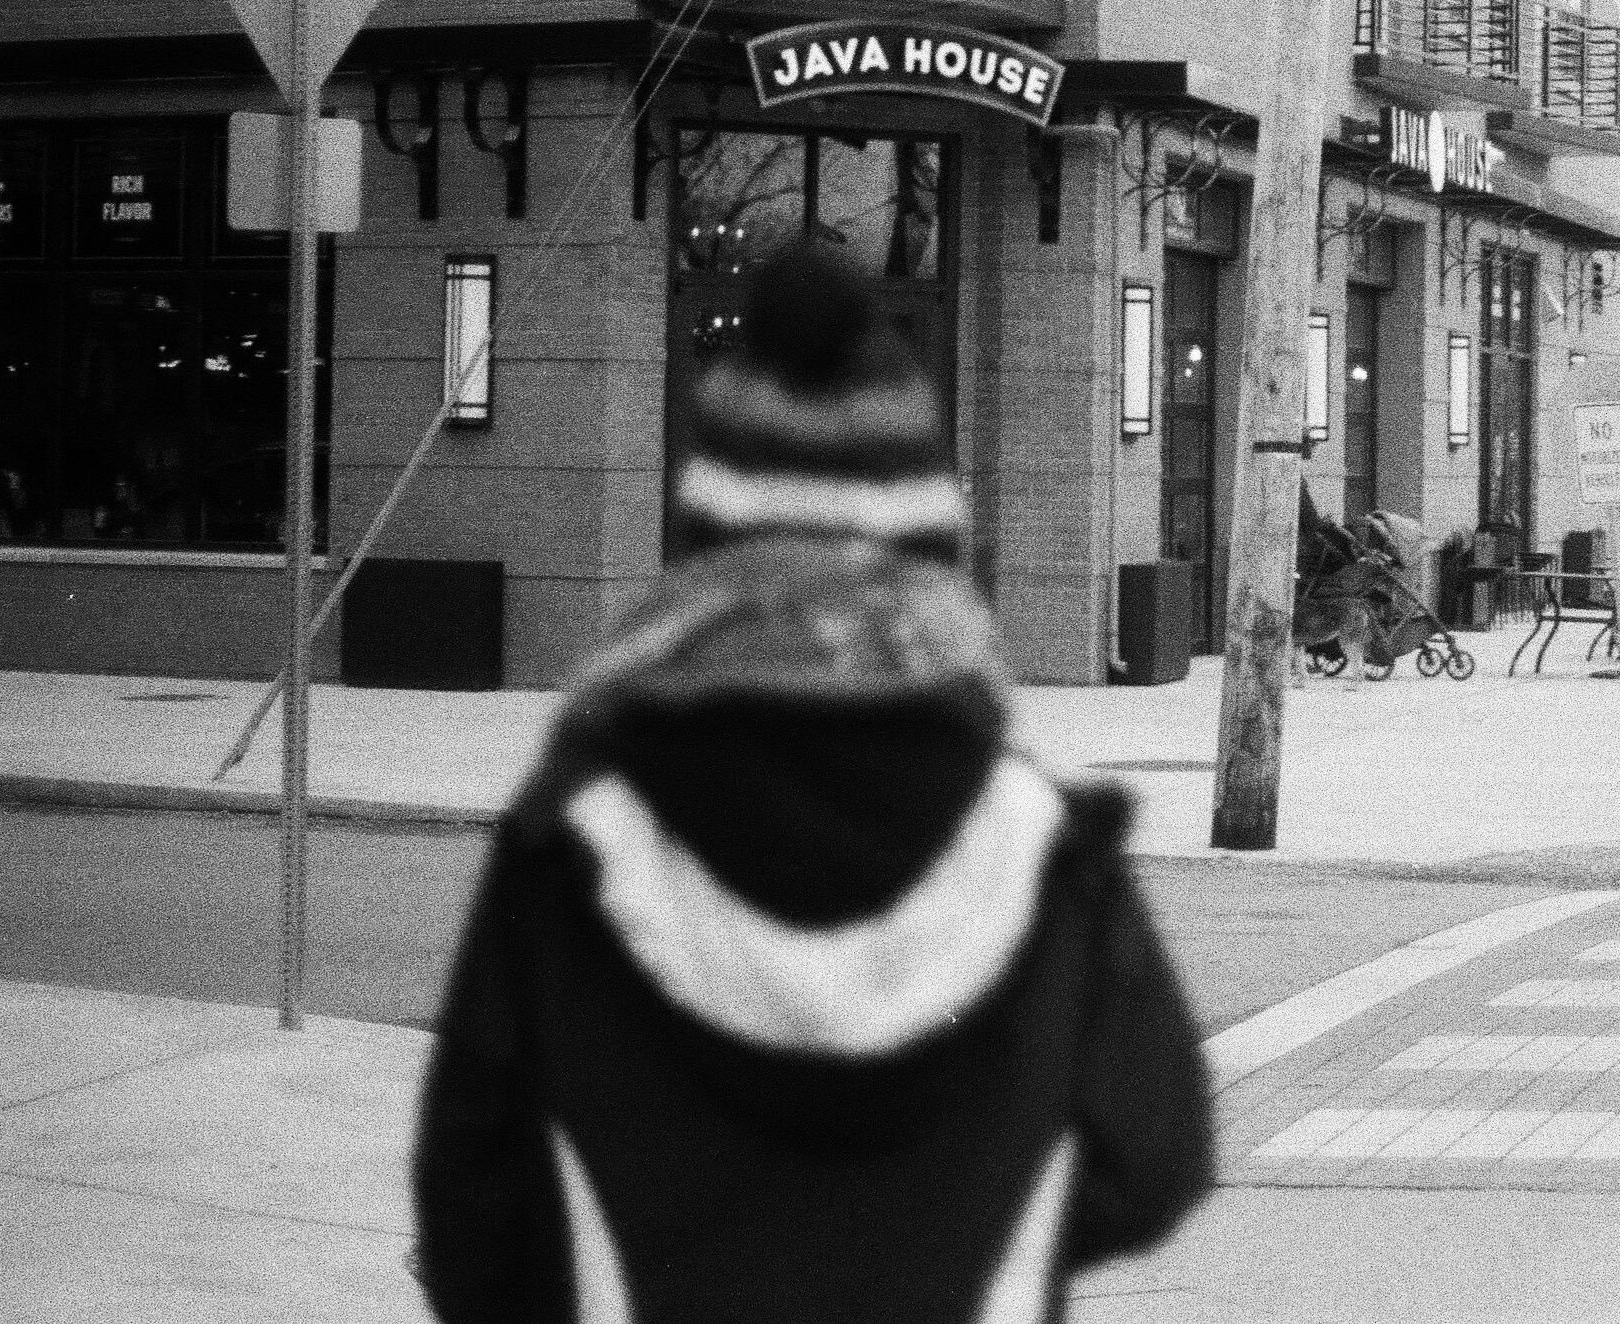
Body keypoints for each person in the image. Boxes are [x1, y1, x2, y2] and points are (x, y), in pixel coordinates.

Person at [412, 250, 1213, 1323]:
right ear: (931, 553)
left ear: (704, 547)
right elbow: (1153, 1158)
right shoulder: (1041, 837)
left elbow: (471, 1195)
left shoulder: (578, 828)